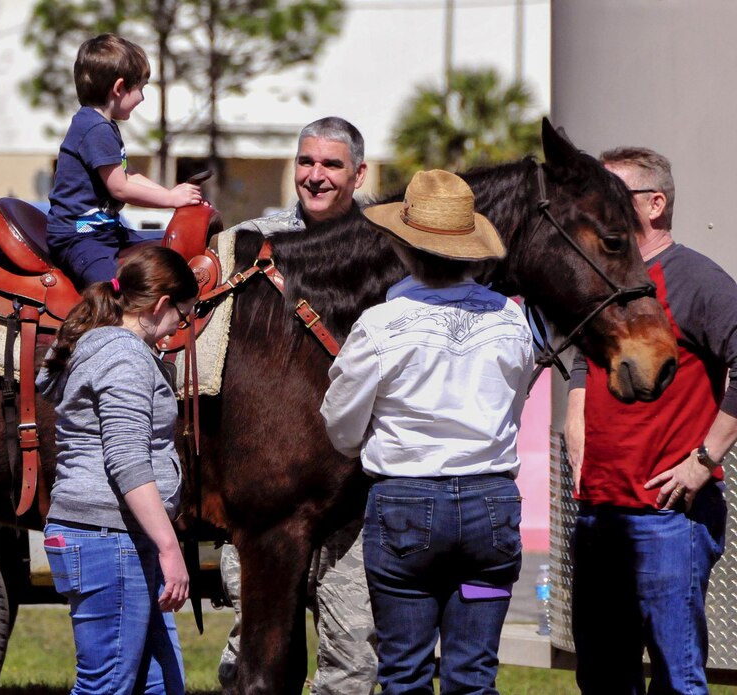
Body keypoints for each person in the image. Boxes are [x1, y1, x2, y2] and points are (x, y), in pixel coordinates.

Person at [321, 169, 534, 695]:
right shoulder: (511, 321)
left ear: (402, 247)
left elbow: (341, 427)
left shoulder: (379, 325)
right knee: (473, 673)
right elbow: (514, 402)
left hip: (405, 512)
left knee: (405, 671)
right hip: (490, 512)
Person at [565, 147, 737, 695]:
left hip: (668, 517)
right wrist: (576, 434)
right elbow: (580, 360)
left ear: (655, 203)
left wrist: (704, 460)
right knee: (602, 679)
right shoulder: (599, 277)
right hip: (597, 516)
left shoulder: (698, 281)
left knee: (674, 678)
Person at [217, 116, 379, 694]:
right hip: (266, 486)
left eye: (331, 165)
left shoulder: (385, 253)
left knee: (352, 653)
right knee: (254, 646)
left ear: (359, 174)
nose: (315, 176)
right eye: (306, 162)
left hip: (353, 487)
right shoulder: (253, 242)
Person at [36, 245, 199, 694]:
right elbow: (127, 460)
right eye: (180, 317)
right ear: (161, 305)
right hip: (109, 538)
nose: (176, 330)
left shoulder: (106, 348)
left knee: (159, 684)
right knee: (106, 686)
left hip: (118, 537)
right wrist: (170, 548)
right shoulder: (124, 357)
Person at [46, 33, 202, 287]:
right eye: (140, 87)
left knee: (166, 251)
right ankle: (100, 325)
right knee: (115, 290)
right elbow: (120, 188)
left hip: (105, 231)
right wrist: (171, 199)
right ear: (119, 88)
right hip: (80, 237)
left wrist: (173, 196)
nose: (142, 97)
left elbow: (129, 177)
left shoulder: (102, 125)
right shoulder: (95, 129)